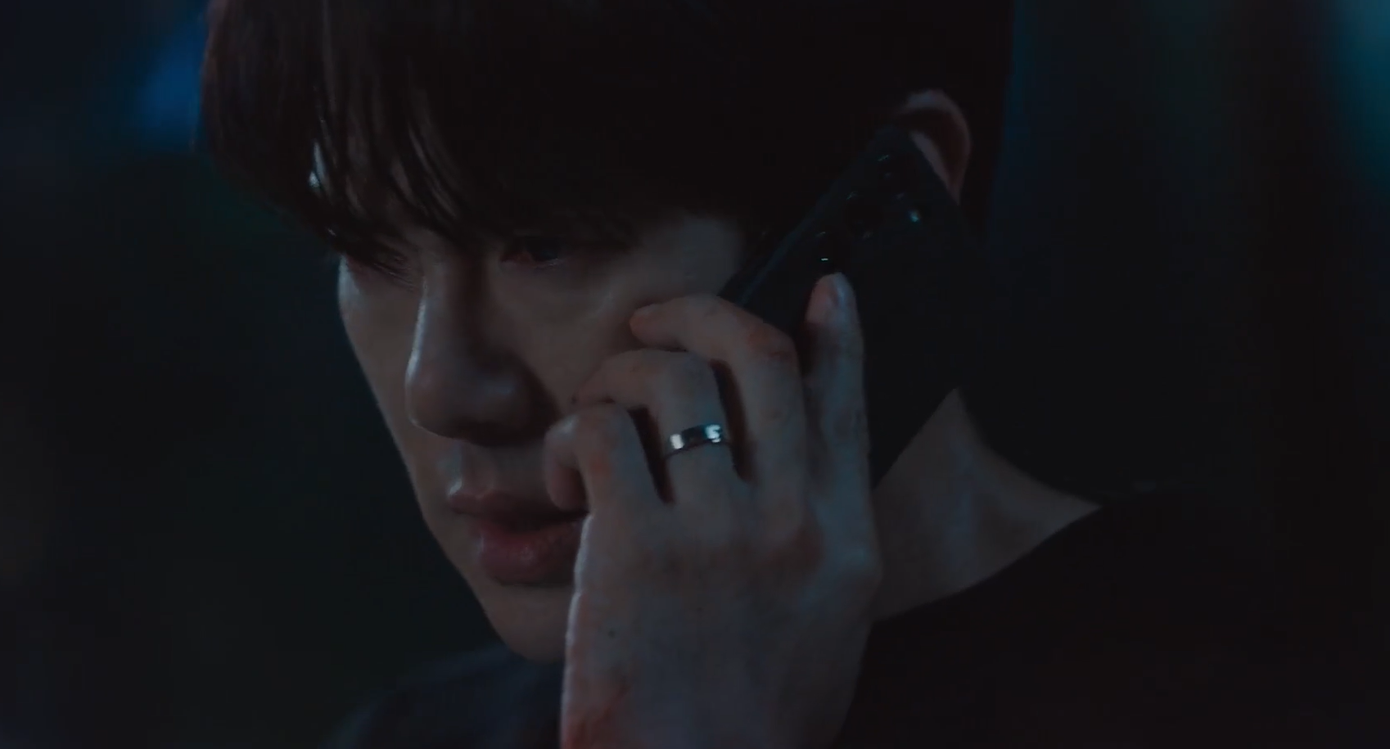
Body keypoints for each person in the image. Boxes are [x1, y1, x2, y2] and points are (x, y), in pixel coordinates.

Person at [200, 1, 1382, 747]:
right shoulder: (416, 733)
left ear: (886, 202)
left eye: (545, 240)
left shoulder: (1266, 700)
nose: (443, 387)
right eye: (364, 250)